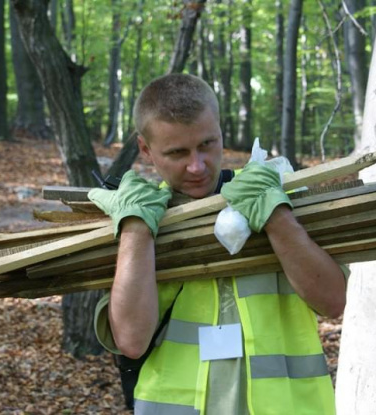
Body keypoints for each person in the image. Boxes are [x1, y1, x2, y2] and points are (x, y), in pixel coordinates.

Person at [89, 73, 347, 415]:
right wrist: (136, 229)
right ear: (146, 149)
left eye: (207, 145)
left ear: (221, 131)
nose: (197, 166)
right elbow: (132, 342)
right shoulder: (134, 215)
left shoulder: (277, 194)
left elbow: (333, 301)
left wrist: (275, 215)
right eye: (178, 152)